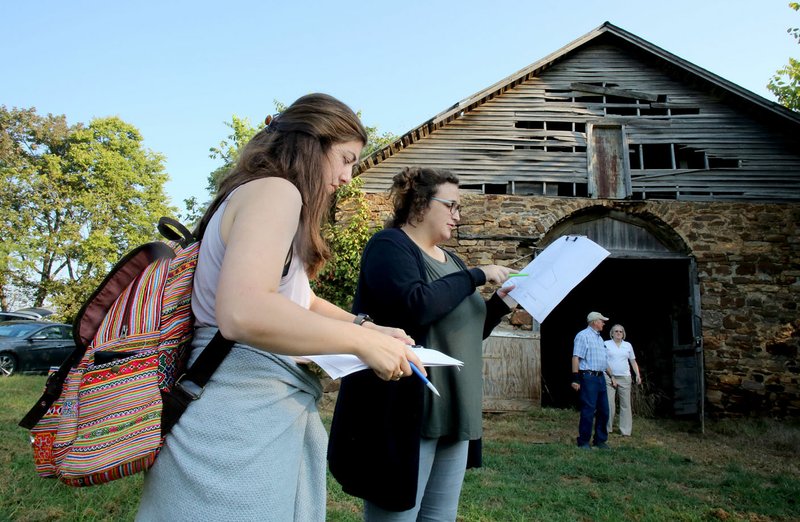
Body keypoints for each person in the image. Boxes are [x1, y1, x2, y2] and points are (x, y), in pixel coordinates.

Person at [136, 93, 425, 521]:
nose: (348, 176)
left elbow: (299, 299)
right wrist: (361, 345)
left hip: (246, 407)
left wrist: (368, 328)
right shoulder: (276, 192)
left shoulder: (259, 195)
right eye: (345, 159)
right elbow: (245, 311)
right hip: (237, 411)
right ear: (312, 143)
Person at [328, 166, 516, 521]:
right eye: (452, 206)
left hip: (456, 411)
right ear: (421, 203)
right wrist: (476, 275)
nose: (458, 217)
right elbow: (414, 306)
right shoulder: (389, 246)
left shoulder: (453, 261)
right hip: (407, 411)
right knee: (397, 514)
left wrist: (501, 304)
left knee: (439, 517)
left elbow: (466, 330)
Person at [571, 311, 611, 450]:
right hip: (589, 377)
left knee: (604, 410)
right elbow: (576, 357)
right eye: (602, 321)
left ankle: (600, 440)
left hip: (600, 378)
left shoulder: (600, 339)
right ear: (595, 322)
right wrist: (575, 378)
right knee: (588, 409)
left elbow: (604, 362)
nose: (604, 323)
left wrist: (612, 376)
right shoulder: (583, 336)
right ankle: (583, 441)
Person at [605, 324, 642, 436]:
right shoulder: (606, 344)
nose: (618, 333)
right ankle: (607, 428)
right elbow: (603, 361)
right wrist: (611, 376)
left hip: (625, 377)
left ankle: (625, 431)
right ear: (612, 333)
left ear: (623, 333)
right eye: (616, 331)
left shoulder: (628, 345)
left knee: (625, 404)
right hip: (609, 377)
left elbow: (633, 361)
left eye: (620, 331)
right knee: (609, 403)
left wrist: (637, 374)